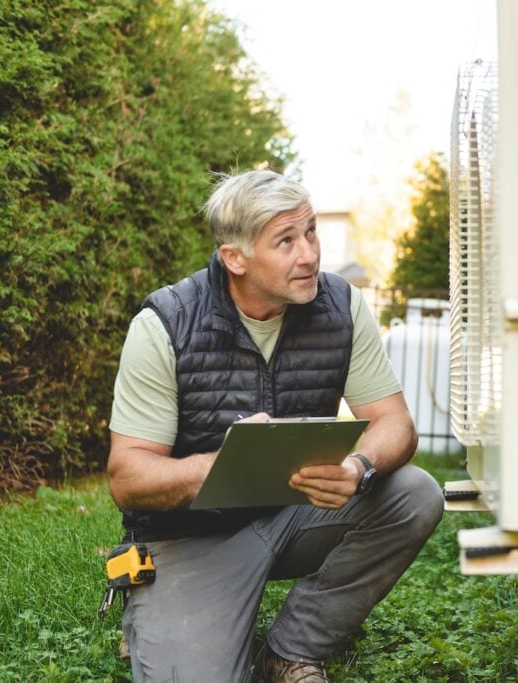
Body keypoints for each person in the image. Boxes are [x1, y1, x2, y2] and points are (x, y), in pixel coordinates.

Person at [106, 169, 445, 682]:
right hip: (191, 538)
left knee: (414, 493)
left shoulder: (342, 306)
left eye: (310, 232)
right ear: (235, 258)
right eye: (285, 241)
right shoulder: (165, 323)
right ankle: (160, 618)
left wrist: (358, 467)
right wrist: (217, 467)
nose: (308, 254)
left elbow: (395, 422)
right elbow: (127, 477)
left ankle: (291, 650)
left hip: (296, 515)